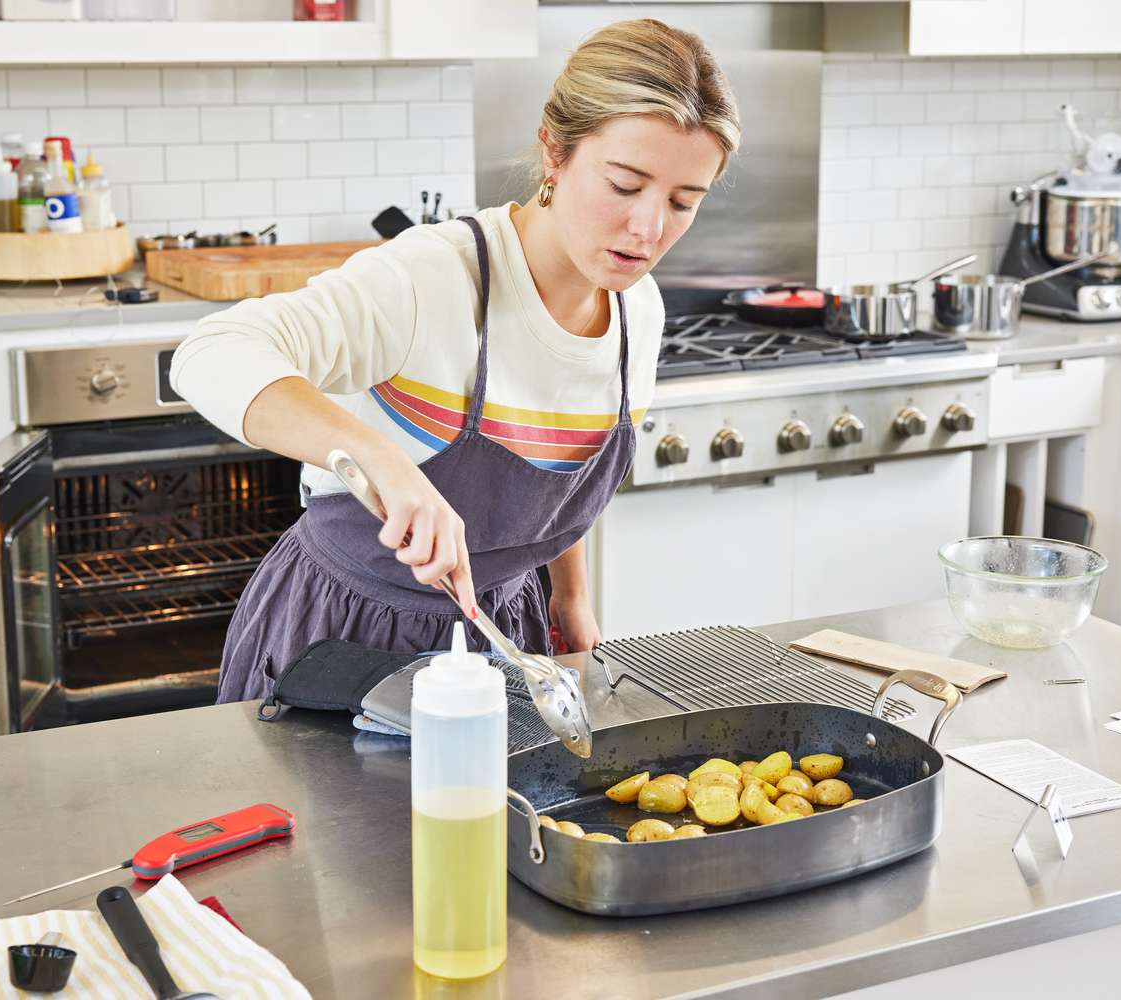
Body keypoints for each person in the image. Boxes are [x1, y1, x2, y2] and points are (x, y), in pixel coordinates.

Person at [171, 18, 741, 703]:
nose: (649, 229)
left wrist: (570, 592)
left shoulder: (636, 310)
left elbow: (552, 462)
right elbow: (211, 351)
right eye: (624, 185)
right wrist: (378, 459)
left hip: (504, 633)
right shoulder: (433, 278)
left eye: (683, 202)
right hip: (343, 642)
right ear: (554, 153)